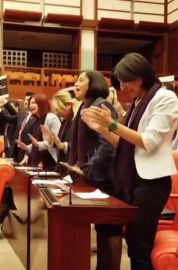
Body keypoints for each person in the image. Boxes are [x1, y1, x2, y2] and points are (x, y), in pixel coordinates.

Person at [81, 53, 178, 270]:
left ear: (141, 75)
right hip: (133, 177)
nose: (123, 87)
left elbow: (149, 141)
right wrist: (103, 129)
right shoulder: (138, 102)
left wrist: (113, 124)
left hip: (152, 181)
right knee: (133, 242)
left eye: (127, 81)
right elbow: (125, 145)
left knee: (139, 246)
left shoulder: (165, 98)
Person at [64, 71, 120, 270]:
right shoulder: (85, 106)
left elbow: (109, 144)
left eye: (81, 80)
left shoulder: (101, 105)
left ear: (93, 83)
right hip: (93, 175)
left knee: (110, 229)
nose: (75, 83)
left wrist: (88, 167)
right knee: (102, 228)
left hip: (106, 177)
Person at [19, 93, 61, 169]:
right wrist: (27, 147)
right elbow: (38, 142)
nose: (31, 105)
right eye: (30, 103)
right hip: (38, 162)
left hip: (50, 162)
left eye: (34, 103)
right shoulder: (36, 120)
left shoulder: (51, 118)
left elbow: (55, 143)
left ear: (42, 104)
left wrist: (37, 144)